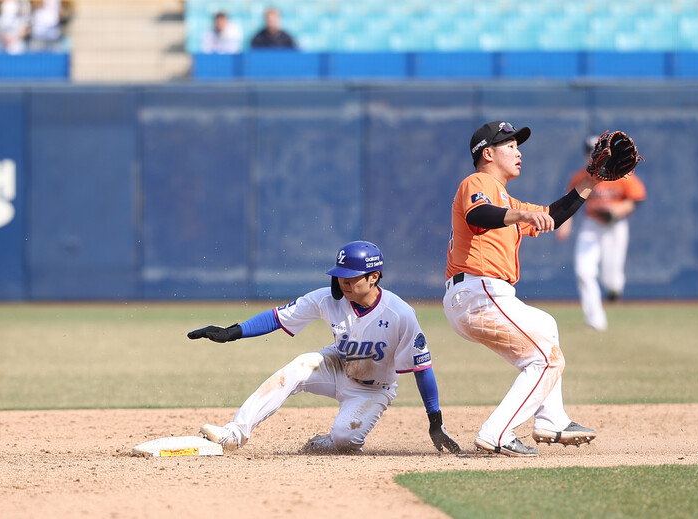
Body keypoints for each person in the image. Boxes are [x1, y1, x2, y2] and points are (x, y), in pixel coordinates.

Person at [189, 240, 461, 455]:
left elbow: (422, 368)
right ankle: (235, 433)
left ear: (374, 277)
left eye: (351, 276)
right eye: (340, 275)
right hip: (336, 365)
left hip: (373, 389)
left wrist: (435, 421)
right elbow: (277, 317)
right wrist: (232, 332)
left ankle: (323, 443)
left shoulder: (400, 314)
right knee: (296, 368)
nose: (343, 282)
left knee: (345, 439)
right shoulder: (327, 299)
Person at [443, 120, 599, 457]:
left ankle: (551, 419)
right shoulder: (478, 182)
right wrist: (517, 215)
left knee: (546, 327)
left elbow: (552, 216)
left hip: (482, 294)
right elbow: (481, 214)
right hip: (478, 291)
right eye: (510, 146)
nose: (519, 152)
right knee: (545, 360)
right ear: (487, 153)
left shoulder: (504, 198)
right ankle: (496, 432)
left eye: (518, 145)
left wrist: (590, 181)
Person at [556, 136, 647, 331]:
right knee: (583, 270)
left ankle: (614, 290)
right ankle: (595, 320)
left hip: (615, 226)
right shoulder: (580, 176)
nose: (596, 155)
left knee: (612, 278)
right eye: (593, 151)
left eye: (600, 151)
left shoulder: (621, 175)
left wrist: (618, 209)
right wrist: (564, 224)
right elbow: (569, 203)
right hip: (592, 224)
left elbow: (636, 198)